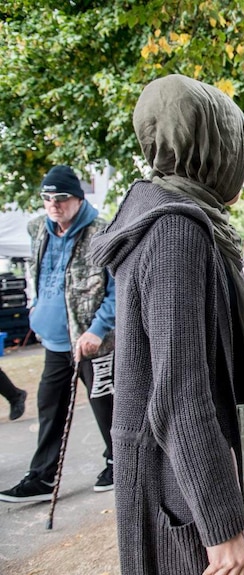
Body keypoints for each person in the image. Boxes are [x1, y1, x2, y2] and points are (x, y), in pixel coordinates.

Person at [90, 74, 244, 573]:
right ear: (211, 145)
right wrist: (223, 529)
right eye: (234, 141)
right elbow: (179, 390)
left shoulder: (165, 211)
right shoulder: (179, 229)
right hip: (179, 487)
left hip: (174, 475)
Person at [0, 166, 116, 503]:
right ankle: (42, 477)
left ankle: (119, 461)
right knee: (49, 405)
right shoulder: (39, 229)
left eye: (61, 198)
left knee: (106, 406)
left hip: (95, 344)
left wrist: (97, 330)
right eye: (47, 198)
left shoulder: (102, 231)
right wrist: (37, 309)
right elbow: (42, 274)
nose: (54, 204)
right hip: (54, 342)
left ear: (78, 199)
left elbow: (118, 288)